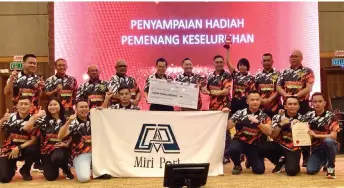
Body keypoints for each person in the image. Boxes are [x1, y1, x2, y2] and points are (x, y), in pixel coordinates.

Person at [276, 50, 315, 167]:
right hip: (288, 104)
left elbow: (309, 87)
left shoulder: (307, 71)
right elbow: (278, 86)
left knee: (304, 128)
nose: (293, 58)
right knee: (285, 127)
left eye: (296, 56)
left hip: (302, 104)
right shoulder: (284, 72)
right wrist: (286, 96)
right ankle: (284, 154)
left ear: (301, 58)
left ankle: (306, 155)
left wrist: (295, 97)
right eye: (291, 56)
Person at [58, 100, 111, 183]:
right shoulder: (73, 122)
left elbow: (106, 118)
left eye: (86, 107)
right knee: (84, 178)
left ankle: (95, 169)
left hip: (97, 153)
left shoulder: (94, 118)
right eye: (81, 107)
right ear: (76, 109)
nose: (84, 109)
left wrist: (102, 109)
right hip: (81, 154)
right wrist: (68, 122)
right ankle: (86, 167)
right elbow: (60, 136)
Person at [22, 98, 74, 181]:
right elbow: (25, 128)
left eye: (55, 104)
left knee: (58, 157)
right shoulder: (43, 119)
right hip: (46, 151)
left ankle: (65, 168)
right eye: (50, 105)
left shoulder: (67, 118)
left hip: (60, 148)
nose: (52, 107)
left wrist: (67, 143)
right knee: (50, 177)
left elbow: (73, 134)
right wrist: (37, 116)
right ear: (47, 107)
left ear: (60, 106)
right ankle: (52, 167)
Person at [226, 90, 272, 175]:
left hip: (255, 145)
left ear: (260, 101)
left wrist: (258, 123)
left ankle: (250, 159)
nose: (255, 102)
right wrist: (226, 115)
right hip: (240, 141)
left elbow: (269, 132)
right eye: (252, 100)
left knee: (259, 170)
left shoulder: (264, 115)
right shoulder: (240, 113)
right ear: (247, 101)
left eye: (257, 99)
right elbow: (228, 127)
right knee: (233, 149)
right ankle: (237, 165)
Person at [0, 97, 39, 183]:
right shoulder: (10, 117)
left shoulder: (34, 119)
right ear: (17, 106)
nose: (23, 106)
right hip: (9, 149)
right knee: (4, 178)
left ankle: (25, 169)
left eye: (26, 104)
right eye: (21, 104)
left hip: (25, 148)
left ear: (31, 106)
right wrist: (2, 120)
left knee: (35, 148)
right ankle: (12, 166)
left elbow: (33, 140)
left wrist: (19, 148)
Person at [201, 55, 232, 164]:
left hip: (225, 107)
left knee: (226, 131)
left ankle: (226, 155)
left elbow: (226, 91)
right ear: (213, 63)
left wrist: (212, 92)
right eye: (217, 62)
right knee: (215, 131)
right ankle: (216, 154)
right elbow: (204, 88)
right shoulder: (209, 76)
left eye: (220, 62)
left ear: (223, 63)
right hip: (213, 108)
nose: (219, 64)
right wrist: (203, 88)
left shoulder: (227, 75)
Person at [264, 96, 304, 176]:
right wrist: (281, 124)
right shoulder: (277, 117)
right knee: (262, 147)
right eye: (290, 104)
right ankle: (280, 162)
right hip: (279, 145)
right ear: (285, 106)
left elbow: (305, 139)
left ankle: (291, 163)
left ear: (298, 106)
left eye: (295, 104)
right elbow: (273, 136)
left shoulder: (303, 118)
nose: (292, 106)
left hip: (294, 148)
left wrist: (299, 126)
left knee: (291, 172)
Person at [305, 92, 340, 179]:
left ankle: (331, 167)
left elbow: (333, 136)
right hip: (316, 149)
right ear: (311, 103)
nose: (317, 104)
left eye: (320, 101)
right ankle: (326, 160)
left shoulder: (332, 116)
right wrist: (295, 122)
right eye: (315, 101)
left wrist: (316, 136)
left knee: (328, 141)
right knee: (310, 170)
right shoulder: (308, 116)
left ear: (324, 103)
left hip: (331, 146)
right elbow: (299, 124)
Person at [225, 49, 255, 115]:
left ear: (247, 67)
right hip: (235, 101)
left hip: (245, 102)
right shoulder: (235, 74)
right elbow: (227, 62)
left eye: (244, 65)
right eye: (240, 65)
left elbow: (252, 92)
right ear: (238, 66)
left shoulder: (251, 78)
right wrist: (227, 50)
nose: (242, 67)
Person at [255, 53, 281, 118]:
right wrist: (261, 99)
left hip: (276, 107)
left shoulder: (278, 74)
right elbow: (254, 91)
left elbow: (280, 89)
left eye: (268, 60)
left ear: (272, 62)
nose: (266, 62)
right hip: (261, 107)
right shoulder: (257, 76)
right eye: (264, 61)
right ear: (261, 62)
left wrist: (269, 99)